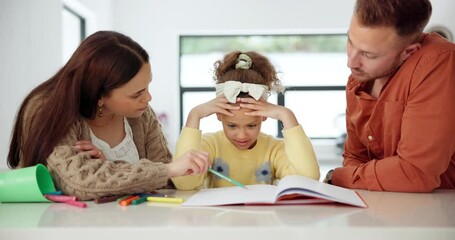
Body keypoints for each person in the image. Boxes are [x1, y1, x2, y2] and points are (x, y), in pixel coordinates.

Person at [7, 31, 209, 200]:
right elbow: (77, 182)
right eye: (136, 93)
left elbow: (163, 185)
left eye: (147, 86)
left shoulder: (141, 115)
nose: (148, 98)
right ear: (99, 95)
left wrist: (107, 167)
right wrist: (167, 170)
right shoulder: (47, 108)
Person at [323, 0, 455, 192]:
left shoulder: (440, 62)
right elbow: (354, 158)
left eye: (369, 55)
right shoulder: (358, 79)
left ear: (408, 52)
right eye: (350, 42)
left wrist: (337, 176)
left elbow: (415, 173)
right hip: (385, 208)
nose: (351, 62)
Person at [172, 51, 320, 190]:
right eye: (232, 126)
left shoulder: (274, 149)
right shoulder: (209, 145)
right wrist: (194, 116)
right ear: (219, 115)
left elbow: (308, 180)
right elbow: (184, 184)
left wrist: (287, 115)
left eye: (251, 125)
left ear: (264, 116)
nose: (242, 135)